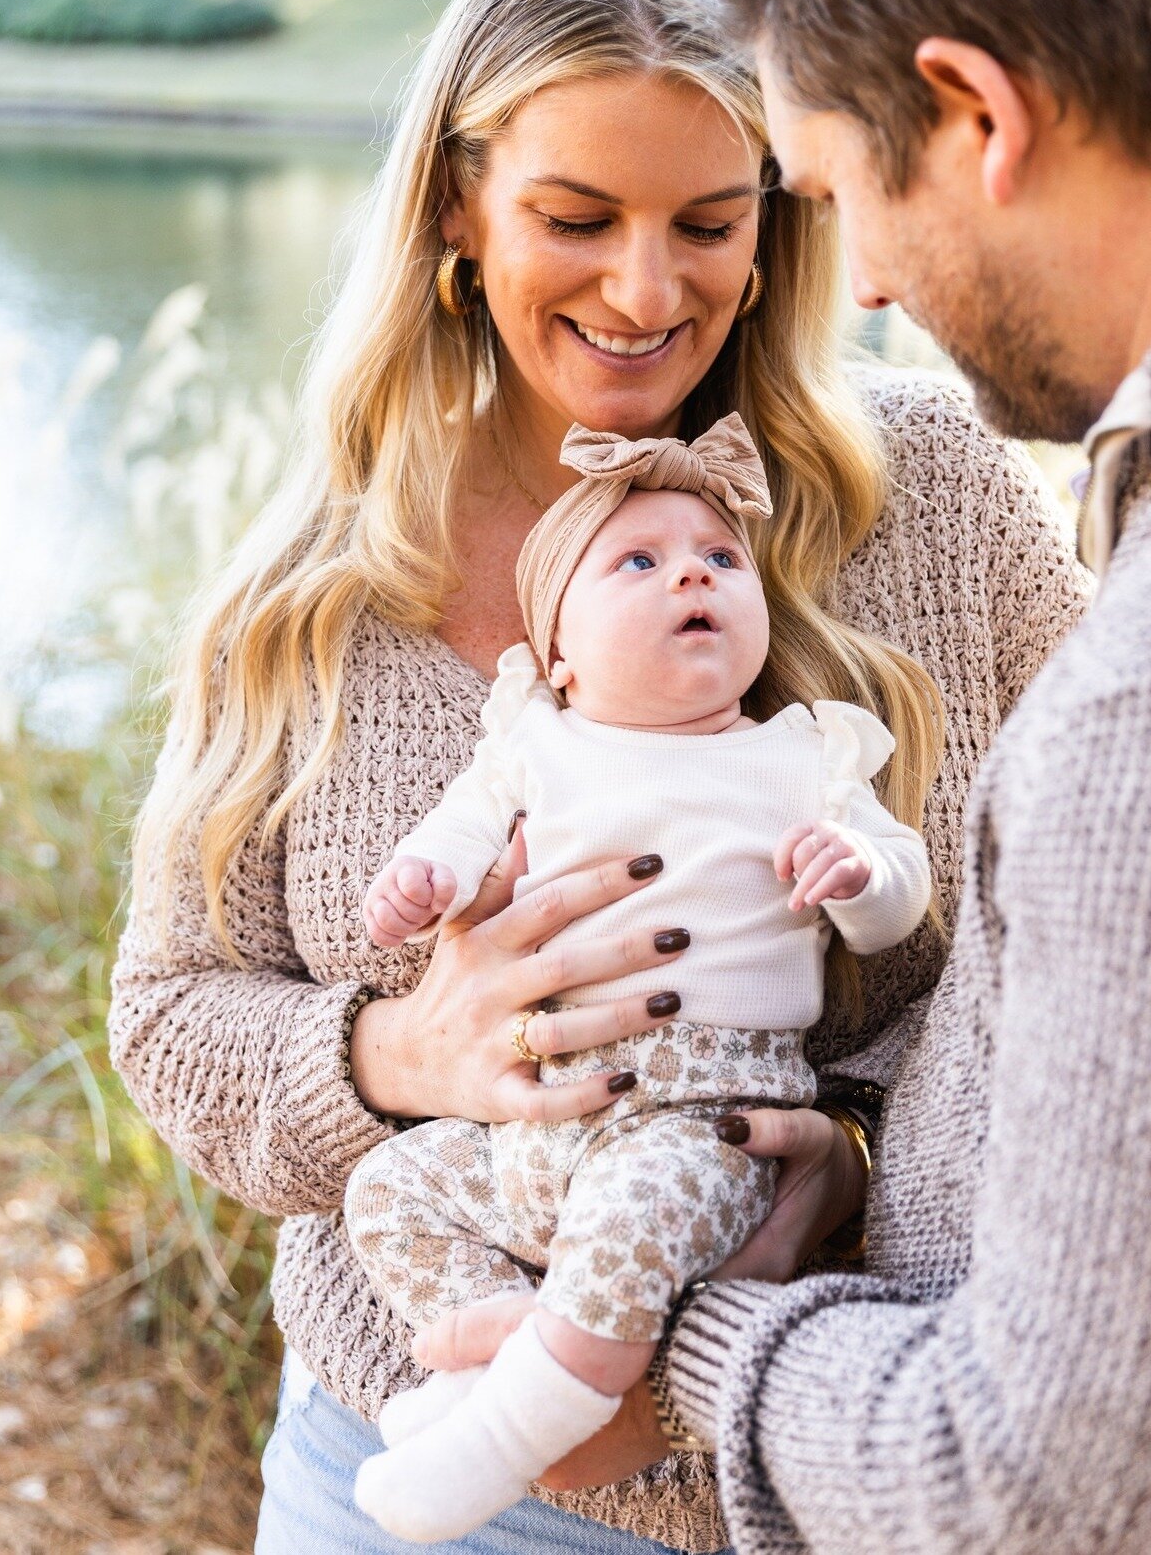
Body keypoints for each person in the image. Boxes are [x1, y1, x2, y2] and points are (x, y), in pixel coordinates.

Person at [107, 0, 1087, 1555]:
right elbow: (170, 1012)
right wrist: (395, 1054)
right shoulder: (312, 597)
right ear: (456, 209)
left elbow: (1083, 945)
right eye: (577, 216)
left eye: (711, 221)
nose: (647, 290)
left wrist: (843, 1160)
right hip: (400, 1477)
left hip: (845, 1463)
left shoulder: (941, 501)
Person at [414, 0, 1151, 1550]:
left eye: (822, 191)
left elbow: (1080, 1488)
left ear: (973, 112)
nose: (866, 281)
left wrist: (676, 1345)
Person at [347, 415, 930, 1542]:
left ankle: (503, 1433)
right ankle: (499, 1351)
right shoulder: (534, 745)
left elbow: (899, 895)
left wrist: (855, 873)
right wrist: (420, 883)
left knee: (627, 1224)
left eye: (719, 558)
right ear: (558, 650)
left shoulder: (799, 755)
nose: (693, 576)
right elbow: (455, 841)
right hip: (532, 1134)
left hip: (701, 1122)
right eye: (642, 562)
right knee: (394, 1190)